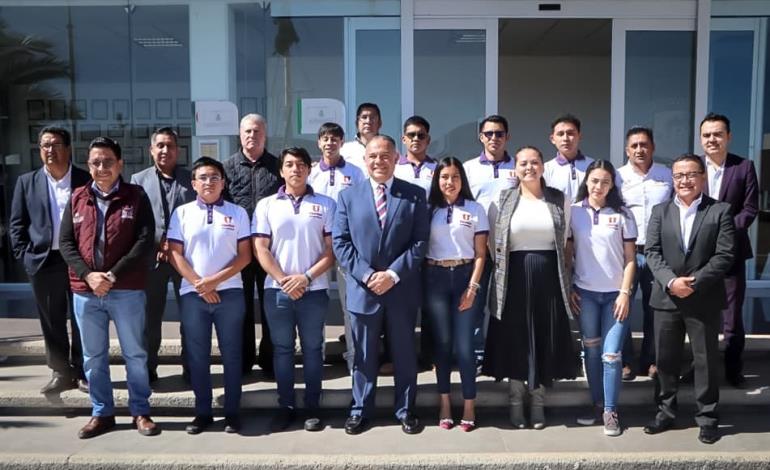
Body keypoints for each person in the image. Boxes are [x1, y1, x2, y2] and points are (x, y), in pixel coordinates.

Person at [59, 137, 159, 439]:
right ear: (88, 166)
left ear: (120, 165)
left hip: (126, 289)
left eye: (107, 162)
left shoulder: (136, 196)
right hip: (85, 293)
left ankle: (140, 410)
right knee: (93, 357)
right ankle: (101, 413)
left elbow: (144, 241)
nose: (101, 168)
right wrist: (89, 276)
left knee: (135, 354)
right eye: (95, 162)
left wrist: (111, 276)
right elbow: (66, 243)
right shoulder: (77, 197)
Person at [332, 135, 429, 435]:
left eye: (385, 155)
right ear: (365, 160)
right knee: (362, 356)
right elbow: (341, 241)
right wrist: (366, 275)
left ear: (396, 158)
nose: (378, 161)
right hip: (364, 291)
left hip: (400, 290)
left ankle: (405, 410)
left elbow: (420, 241)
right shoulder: (348, 196)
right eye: (373, 156)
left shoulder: (414, 195)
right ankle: (360, 410)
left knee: (403, 353)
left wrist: (393, 275)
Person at [482, 145, 577, 430]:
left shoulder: (559, 198)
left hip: (548, 278)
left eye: (535, 162)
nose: (529, 168)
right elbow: (492, 242)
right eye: (523, 163)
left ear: (542, 166)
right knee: (515, 338)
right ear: (516, 167)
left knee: (542, 336)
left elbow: (565, 241)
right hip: (513, 278)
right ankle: (515, 400)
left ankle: (537, 401)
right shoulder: (502, 199)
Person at [643, 154, 735, 445]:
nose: (685, 180)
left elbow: (725, 255)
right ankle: (666, 412)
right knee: (666, 360)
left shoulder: (720, 211)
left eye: (691, 174)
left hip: (703, 298)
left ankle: (707, 418)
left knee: (705, 360)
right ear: (673, 179)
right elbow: (652, 252)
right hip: (667, 298)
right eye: (679, 175)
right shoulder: (660, 211)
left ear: (702, 177)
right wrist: (672, 281)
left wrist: (693, 283)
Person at [254, 147, 336, 433]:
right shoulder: (266, 205)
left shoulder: (326, 204)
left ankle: (312, 406)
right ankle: (286, 405)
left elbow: (331, 250)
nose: (296, 169)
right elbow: (261, 248)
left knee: (314, 349)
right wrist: (283, 279)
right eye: (289, 164)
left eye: (301, 164)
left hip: (314, 290)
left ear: (309, 169)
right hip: (277, 291)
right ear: (281, 170)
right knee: (283, 350)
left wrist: (306, 278)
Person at [167, 157, 251, 435]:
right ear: (193, 183)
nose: (209, 182)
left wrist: (214, 282)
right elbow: (175, 253)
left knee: (232, 355)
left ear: (223, 182)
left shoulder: (238, 213)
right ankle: (202, 412)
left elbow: (245, 256)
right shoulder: (181, 213)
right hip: (193, 296)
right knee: (197, 356)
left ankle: (232, 413)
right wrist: (199, 285)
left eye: (214, 177)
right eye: (202, 177)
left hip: (230, 293)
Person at [9, 126, 90, 394]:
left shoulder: (84, 179)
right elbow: (17, 224)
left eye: (55, 144)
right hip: (43, 261)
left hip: (79, 260)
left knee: (81, 317)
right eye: (44, 145)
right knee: (51, 319)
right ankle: (59, 372)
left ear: (68, 149)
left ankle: (81, 371)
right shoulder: (27, 182)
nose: (49, 150)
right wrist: (25, 256)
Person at [568, 160, 637, 437]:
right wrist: (570, 284)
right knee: (592, 350)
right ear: (587, 181)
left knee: (611, 355)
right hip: (585, 294)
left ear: (612, 185)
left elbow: (631, 259)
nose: (599, 186)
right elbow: (567, 253)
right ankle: (597, 405)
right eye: (594, 181)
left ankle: (611, 410)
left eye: (605, 182)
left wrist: (625, 292)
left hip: (614, 297)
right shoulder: (574, 212)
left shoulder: (623, 214)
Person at [423, 157, 488, 432]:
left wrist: (473, 288)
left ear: (462, 180)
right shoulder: (428, 210)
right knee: (443, 344)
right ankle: (446, 404)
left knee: (464, 345)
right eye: (444, 177)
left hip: (465, 277)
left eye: (455, 177)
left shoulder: (475, 209)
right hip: (435, 277)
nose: (450, 182)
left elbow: (481, 254)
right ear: (437, 181)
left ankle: (470, 406)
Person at [130, 127, 195, 383]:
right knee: (150, 319)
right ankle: (148, 369)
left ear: (178, 150)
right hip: (152, 260)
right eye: (160, 146)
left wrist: (175, 245)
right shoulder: (138, 179)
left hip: (186, 260)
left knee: (190, 318)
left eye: (170, 146)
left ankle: (191, 368)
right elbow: (136, 222)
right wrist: (156, 245)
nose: (165, 150)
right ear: (151, 150)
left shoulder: (191, 180)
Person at [699, 113, 758, 388]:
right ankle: (700, 368)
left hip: (732, 253)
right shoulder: (694, 167)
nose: (712, 139)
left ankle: (733, 369)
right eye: (707, 135)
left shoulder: (744, 167)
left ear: (728, 137)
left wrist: (722, 228)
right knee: (700, 315)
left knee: (732, 317)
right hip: (699, 256)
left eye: (717, 134)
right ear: (701, 139)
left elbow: (749, 210)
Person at [223, 113, 283, 377]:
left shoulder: (278, 166)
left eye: (257, 131)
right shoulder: (226, 168)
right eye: (247, 131)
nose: (252, 135)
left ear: (265, 134)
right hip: (238, 250)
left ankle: (270, 360)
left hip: (270, 248)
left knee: (271, 306)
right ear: (239, 134)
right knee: (241, 308)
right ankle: (244, 360)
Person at [308, 122, 365, 373]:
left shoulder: (356, 172)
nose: (329, 143)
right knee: (314, 303)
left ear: (342, 142)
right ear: (319, 143)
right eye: (325, 138)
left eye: (334, 138)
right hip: (316, 247)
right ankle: (315, 357)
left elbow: (363, 207)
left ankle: (354, 358)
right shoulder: (310, 173)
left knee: (348, 304)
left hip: (346, 245)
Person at [616, 127, 672, 381]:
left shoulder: (666, 175)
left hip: (658, 253)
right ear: (627, 150)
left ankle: (650, 360)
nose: (640, 150)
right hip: (626, 252)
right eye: (634, 145)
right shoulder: (617, 177)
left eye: (644, 145)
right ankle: (625, 361)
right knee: (622, 307)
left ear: (653, 147)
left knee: (655, 308)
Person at [462, 115, 517, 365]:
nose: (494, 138)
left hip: (510, 248)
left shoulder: (518, 166)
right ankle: (476, 356)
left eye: (499, 133)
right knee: (474, 303)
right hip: (477, 249)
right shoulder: (468, 168)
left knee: (506, 306)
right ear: (480, 137)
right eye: (489, 134)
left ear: (507, 136)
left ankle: (503, 355)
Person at [543, 113, 595, 204]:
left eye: (570, 133)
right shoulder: (545, 169)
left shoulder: (593, 166)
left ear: (579, 136)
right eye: (560, 134)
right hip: (559, 217)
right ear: (552, 139)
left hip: (586, 217)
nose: (565, 138)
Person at [395, 115, 436, 196]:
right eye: (411, 135)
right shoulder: (394, 168)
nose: (416, 139)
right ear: (404, 139)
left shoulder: (438, 169)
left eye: (421, 135)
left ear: (428, 140)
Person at [341, 103, 382, 172]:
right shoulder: (344, 150)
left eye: (372, 118)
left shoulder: (389, 148)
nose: (368, 121)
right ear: (357, 123)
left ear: (380, 123)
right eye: (364, 117)